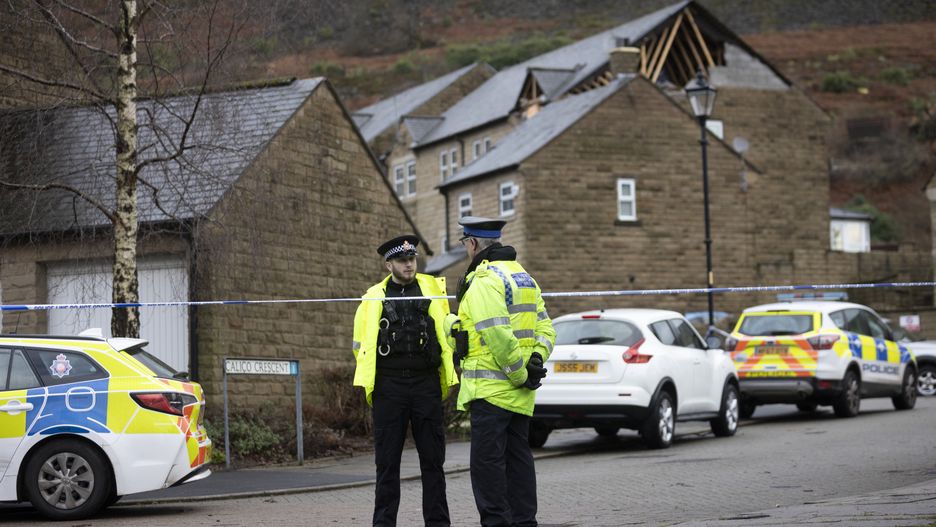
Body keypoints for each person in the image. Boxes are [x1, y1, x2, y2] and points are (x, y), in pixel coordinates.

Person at [452, 217, 556, 527]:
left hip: (492, 391)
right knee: (519, 462)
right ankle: (525, 523)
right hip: (520, 395)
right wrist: (535, 359)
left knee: (488, 468)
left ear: (472, 244)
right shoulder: (523, 276)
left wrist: (519, 373)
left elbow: (496, 333)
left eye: (464, 245)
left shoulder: (485, 279)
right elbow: (546, 328)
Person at [352, 235, 458, 527]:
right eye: (402, 260)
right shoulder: (372, 297)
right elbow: (359, 345)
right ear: (389, 264)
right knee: (386, 464)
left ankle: (438, 523)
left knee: (433, 463)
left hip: (426, 385)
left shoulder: (433, 289)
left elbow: (447, 331)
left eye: (412, 259)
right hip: (389, 387)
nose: (409, 264)